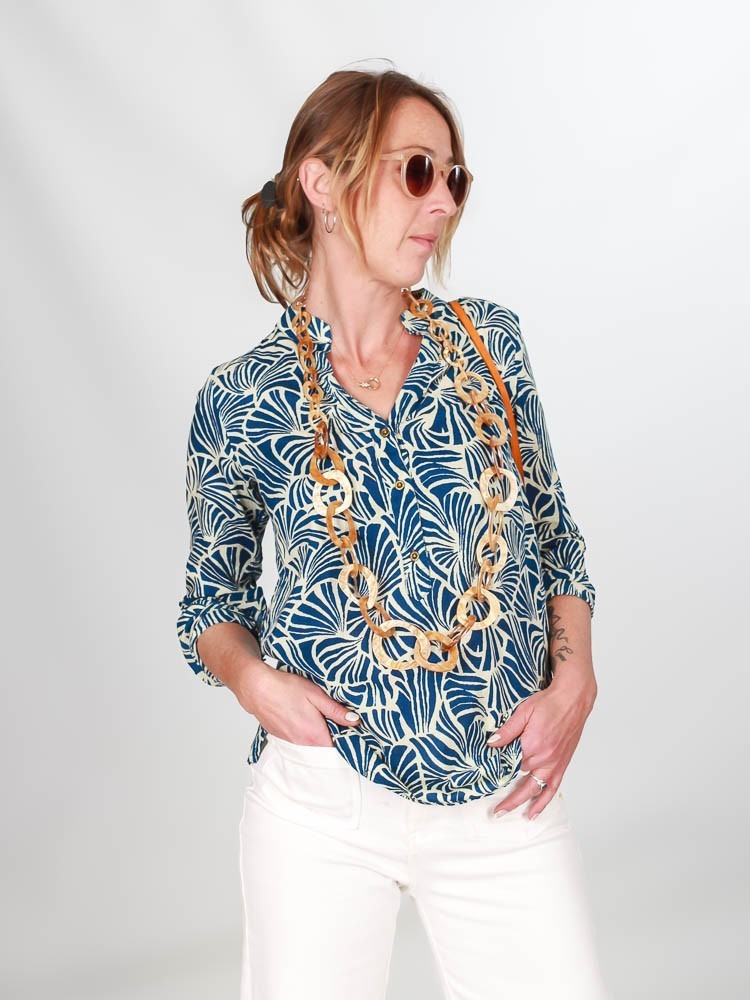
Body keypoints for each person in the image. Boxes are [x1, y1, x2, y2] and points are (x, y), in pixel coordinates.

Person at [176, 66, 611, 1000]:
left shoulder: (490, 345)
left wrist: (575, 678)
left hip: (502, 792)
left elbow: (554, 540)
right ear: (323, 184)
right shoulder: (242, 398)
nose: (442, 203)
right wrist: (256, 684)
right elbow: (210, 605)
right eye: (416, 171)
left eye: (455, 179)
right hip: (322, 803)